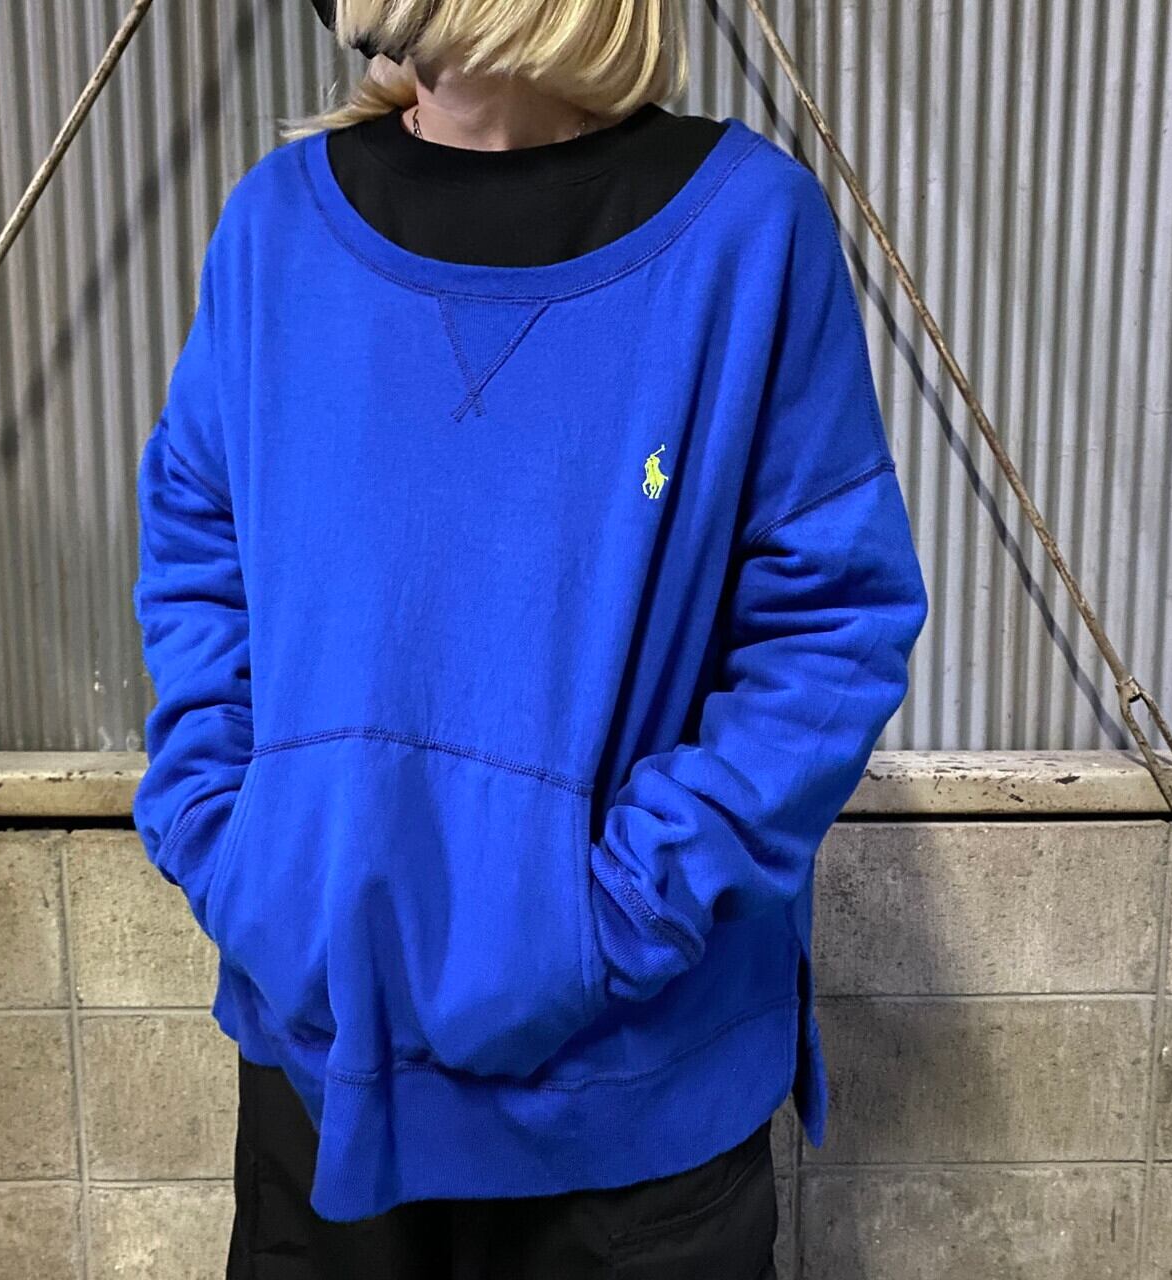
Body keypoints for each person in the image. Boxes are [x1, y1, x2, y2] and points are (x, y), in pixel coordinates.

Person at [130, 1, 930, 1276]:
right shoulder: (274, 229)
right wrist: (234, 846)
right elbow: (194, 551)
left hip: (626, 1128)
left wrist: (615, 914)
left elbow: (829, 625)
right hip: (318, 1086)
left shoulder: (742, 232)